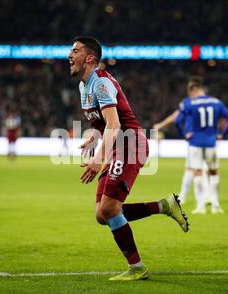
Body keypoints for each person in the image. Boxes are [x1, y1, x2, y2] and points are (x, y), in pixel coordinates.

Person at [69, 36, 189, 281]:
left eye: (75, 51)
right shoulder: (84, 86)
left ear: (90, 58)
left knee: (110, 208)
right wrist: (94, 136)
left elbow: (115, 123)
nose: (69, 55)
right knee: (102, 215)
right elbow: (103, 124)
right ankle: (164, 205)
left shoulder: (101, 83)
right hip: (118, 147)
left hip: (130, 145)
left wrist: (98, 159)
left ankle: (137, 267)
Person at [177, 76, 228, 214]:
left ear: (194, 90)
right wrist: (222, 133)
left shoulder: (191, 104)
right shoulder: (217, 102)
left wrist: (184, 134)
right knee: (213, 172)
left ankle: (201, 207)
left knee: (197, 172)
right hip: (211, 142)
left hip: (195, 142)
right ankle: (216, 206)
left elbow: (178, 121)